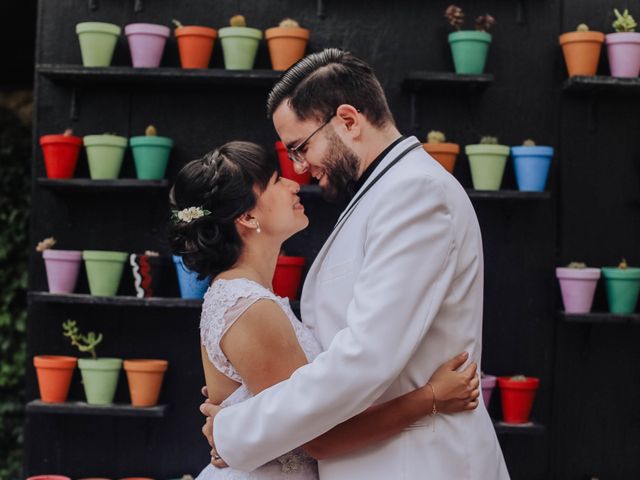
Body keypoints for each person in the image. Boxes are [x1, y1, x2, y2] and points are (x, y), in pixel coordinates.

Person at [200, 49, 510, 480]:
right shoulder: (380, 191)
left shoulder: (415, 194)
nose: (299, 168)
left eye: (300, 147)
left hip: (416, 462)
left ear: (348, 120)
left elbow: (365, 358)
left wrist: (238, 427)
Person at [170, 141, 481, 479]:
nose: (293, 183)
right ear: (247, 216)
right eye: (276, 181)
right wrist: (432, 397)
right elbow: (320, 439)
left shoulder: (245, 297)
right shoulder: (250, 307)